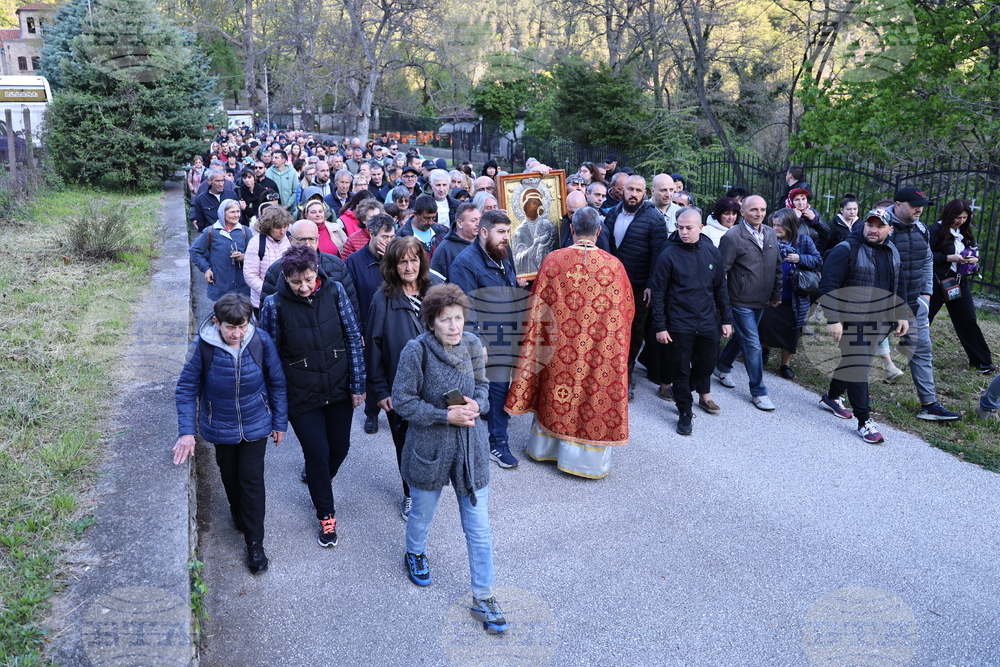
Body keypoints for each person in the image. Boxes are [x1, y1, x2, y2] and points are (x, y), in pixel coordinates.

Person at [391, 283, 507, 634]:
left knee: (479, 529)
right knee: (422, 514)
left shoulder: (472, 345)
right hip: (428, 448)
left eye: (458, 319)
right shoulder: (416, 351)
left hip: (470, 451)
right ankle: (414, 552)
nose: (454, 326)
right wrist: (445, 416)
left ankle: (484, 596)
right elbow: (403, 402)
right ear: (430, 322)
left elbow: (484, 389)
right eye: (445, 320)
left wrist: (477, 405)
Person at [506, 206, 635, 476]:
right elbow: (627, 312)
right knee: (592, 391)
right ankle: (584, 462)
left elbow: (535, 307)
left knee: (558, 390)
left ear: (572, 229)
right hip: (598, 349)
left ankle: (547, 450)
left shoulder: (553, 260)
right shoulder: (614, 266)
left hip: (559, 348)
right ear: (599, 231)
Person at [173, 293, 287, 575]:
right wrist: (187, 432)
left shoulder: (261, 341)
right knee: (229, 474)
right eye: (230, 327)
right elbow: (186, 389)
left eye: (242, 326)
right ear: (217, 322)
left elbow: (277, 382)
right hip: (220, 424)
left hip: (256, 422)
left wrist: (279, 422)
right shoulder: (203, 347)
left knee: (251, 479)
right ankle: (238, 510)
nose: (237, 334)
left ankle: (255, 543)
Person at [260, 245, 366, 547]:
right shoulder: (273, 304)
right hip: (301, 395)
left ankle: (322, 479)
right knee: (317, 454)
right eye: (297, 282)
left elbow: (352, 336)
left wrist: (358, 385)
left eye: (309, 279)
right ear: (286, 277)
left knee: (340, 447)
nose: (304, 287)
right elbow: (270, 357)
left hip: (338, 386)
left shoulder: (334, 291)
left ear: (317, 271)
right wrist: (277, 406)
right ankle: (326, 513)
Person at [817, 209, 909, 444]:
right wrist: (833, 318)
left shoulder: (892, 250)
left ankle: (832, 396)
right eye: (870, 224)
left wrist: (901, 314)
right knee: (859, 365)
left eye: (879, 226)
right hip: (852, 318)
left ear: (890, 230)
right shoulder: (846, 249)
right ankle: (864, 421)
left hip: (880, 320)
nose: (873, 229)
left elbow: (899, 284)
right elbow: (829, 285)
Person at [366, 236, 438, 519]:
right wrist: (381, 390)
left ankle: (429, 485)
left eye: (413, 260)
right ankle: (410, 494)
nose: (409, 267)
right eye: (402, 261)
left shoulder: (435, 292)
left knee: (434, 438)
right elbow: (373, 348)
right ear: (393, 266)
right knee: (405, 444)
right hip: (401, 388)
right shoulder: (383, 299)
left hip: (436, 385)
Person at [449, 210, 522, 469]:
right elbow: (464, 306)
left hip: (506, 332)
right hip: (483, 338)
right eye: (501, 232)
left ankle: (495, 439)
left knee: (500, 389)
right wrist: (476, 341)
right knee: (480, 389)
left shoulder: (504, 252)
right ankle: (489, 444)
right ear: (483, 232)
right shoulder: (464, 263)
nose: (506, 237)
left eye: (508, 232)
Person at [650, 207, 732, 435]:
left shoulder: (711, 252)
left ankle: (682, 389)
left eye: (689, 228)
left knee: (707, 364)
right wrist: (660, 326)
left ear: (700, 227)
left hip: (707, 321)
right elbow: (658, 293)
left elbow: (720, 288)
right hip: (679, 322)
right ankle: (685, 413)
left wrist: (726, 319)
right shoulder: (668, 254)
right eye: (680, 227)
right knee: (681, 371)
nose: (684, 232)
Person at [886, 187, 963, 420]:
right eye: (913, 204)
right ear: (898, 205)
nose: (919, 209)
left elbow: (927, 261)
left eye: (922, 204)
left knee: (922, 351)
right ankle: (837, 393)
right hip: (882, 302)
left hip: (914, 302)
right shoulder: (878, 226)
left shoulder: (921, 228)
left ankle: (929, 405)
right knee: (861, 347)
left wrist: (927, 295)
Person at [713, 195, 782, 411]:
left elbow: (777, 265)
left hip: (761, 299)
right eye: (753, 210)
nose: (759, 214)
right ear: (742, 212)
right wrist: (721, 303)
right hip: (739, 300)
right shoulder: (733, 236)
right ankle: (759, 392)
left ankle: (722, 366)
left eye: (762, 209)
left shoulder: (770, 233)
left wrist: (777, 293)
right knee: (753, 343)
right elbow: (720, 272)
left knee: (742, 337)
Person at [604, 174, 669, 399]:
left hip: (639, 287)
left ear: (645, 192)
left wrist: (652, 284)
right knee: (610, 330)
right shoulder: (612, 214)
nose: (633, 194)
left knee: (634, 332)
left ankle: (627, 377)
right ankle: (609, 373)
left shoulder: (654, 219)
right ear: (623, 190)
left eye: (638, 190)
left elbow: (658, 257)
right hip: (612, 287)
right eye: (630, 189)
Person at [928, 199, 994, 373]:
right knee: (923, 320)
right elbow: (926, 255)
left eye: (964, 217)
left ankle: (982, 362)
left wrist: (974, 260)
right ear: (949, 214)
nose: (961, 221)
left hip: (958, 282)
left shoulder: (964, 232)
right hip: (936, 282)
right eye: (958, 217)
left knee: (967, 320)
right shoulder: (934, 230)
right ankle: (905, 356)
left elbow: (973, 250)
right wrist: (949, 258)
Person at [758, 209, 822, 379]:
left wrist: (800, 258)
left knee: (791, 331)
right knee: (767, 324)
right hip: (772, 293)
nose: (775, 228)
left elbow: (818, 260)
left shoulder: (803, 240)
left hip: (795, 296)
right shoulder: (768, 238)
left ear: (790, 225)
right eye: (774, 224)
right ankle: (765, 350)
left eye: (780, 225)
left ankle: (785, 364)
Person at [189, 199, 251, 301]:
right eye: (232, 212)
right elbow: (195, 251)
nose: (236, 215)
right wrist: (206, 269)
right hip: (221, 285)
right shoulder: (211, 231)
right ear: (223, 213)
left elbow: (254, 254)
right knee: (222, 315)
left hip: (242, 287)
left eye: (238, 211)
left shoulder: (245, 231)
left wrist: (243, 256)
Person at [243, 206, 291, 314]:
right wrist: (272, 292)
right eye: (278, 227)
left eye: (285, 226)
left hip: (288, 300)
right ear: (269, 226)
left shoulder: (291, 240)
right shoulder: (256, 243)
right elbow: (250, 275)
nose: (282, 231)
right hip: (262, 301)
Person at [510, 188, 559, 275]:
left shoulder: (549, 225)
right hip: (530, 275)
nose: (535, 205)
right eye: (532, 202)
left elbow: (556, 248)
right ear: (524, 206)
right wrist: (533, 248)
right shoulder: (520, 232)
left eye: (537, 202)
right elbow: (517, 259)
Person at [430, 203, 480, 282]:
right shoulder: (445, 249)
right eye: (473, 220)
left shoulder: (484, 243)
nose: (478, 224)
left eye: (479, 219)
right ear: (460, 223)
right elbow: (437, 283)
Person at [786, 187, 829, 254]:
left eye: (803, 199)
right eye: (797, 200)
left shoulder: (813, 212)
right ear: (791, 201)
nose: (801, 203)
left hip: (814, 255)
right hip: (795, 254)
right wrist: (796, 219)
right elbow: (786, 235)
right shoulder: (786, 214)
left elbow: (827, 234)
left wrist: (815, 220)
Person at [826, 194, 859, 258]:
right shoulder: (832, 226)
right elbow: (823, 245)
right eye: (849, 209)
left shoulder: (860, 225)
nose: (852, 212)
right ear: (842, 210)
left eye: (855, 209)